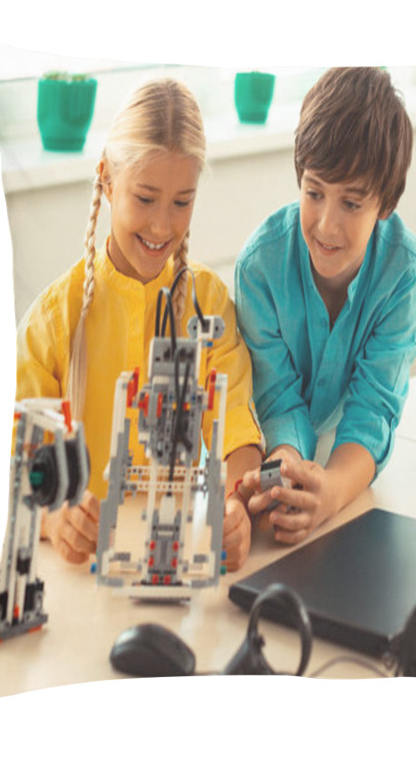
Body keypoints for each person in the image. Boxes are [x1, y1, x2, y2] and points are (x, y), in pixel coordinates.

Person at [16, 78, 263, 570]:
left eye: (181, 202)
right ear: (107, 180)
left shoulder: (209, 305)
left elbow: (237, 428)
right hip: (79, 578)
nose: (161, 226)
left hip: (168, 567)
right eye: (145, 198)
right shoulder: (52, 322)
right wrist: (51, 520)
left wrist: (233, 508)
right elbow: (13, 464)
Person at [234, 67, 416, 545]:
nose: (324, 225)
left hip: (344, 451)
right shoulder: (259, 268)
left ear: (386, 202)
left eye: (351, 204)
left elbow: (373, 409)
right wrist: (285, 470)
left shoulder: (404, 272)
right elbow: (276, 398)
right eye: (314, 192)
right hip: (269, 439)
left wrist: (333, 492)